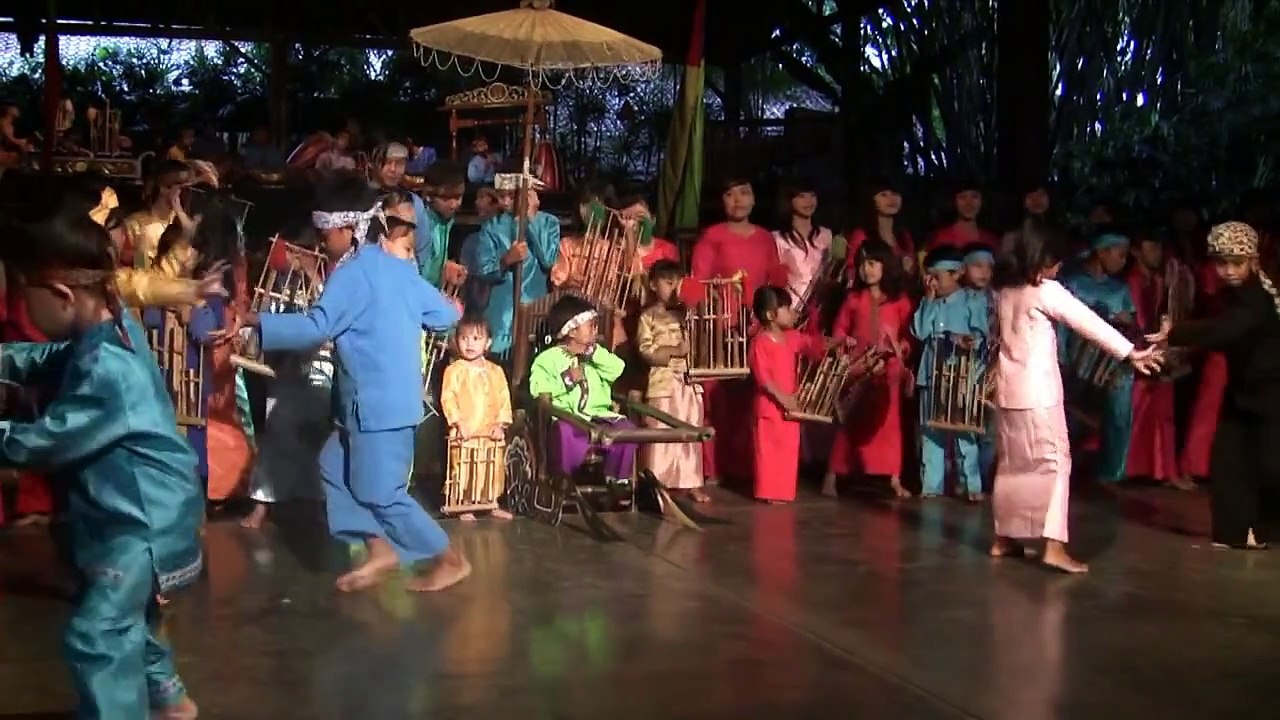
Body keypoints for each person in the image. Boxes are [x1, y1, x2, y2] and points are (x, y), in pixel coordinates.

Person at [0, 214, 202, 718]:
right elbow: (52, 359)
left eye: (27, 297)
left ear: (62, 295)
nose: (23, 308)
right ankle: (169, 703)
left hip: (142, 525)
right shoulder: (111, 327)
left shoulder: (106, 369)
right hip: (132, 512)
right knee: (125, 614)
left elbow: (44, 442)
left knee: (97, 634)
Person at [242, 190, 468, 593]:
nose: (322, 240)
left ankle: (448, 558)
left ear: (349, 229)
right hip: (378, 403)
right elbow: (444, 315)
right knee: (334, 467)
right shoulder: (397, 271)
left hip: (376, 404)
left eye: (325, 231)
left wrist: (253, 320)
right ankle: (379, 547)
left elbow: (317, 326)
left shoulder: (356, 273)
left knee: (381, 493)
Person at [989, 219, 1160, 573]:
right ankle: (1053, 547)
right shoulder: (1045, 289)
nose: (1060, 266)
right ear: (1042, 258)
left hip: (1009, 391)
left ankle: (1004, 538)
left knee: (1013, 464)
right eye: (1055, 259)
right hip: (1038, 392)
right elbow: (1086, 321)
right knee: (1055, 462)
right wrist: (1129, 352)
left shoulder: (1006, 290)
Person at [242, 173, 370, 529]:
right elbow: (278, 314)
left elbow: (326, 321)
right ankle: (263, 503)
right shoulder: (283, 277)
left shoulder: (343, 272)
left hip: (324, 365)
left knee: (316, 436)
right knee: (278, 431)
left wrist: (315, 277)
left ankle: (317, 501)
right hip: (289, 363)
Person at [1147, 222, 1280, 549]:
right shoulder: (1231, 295)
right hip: (1244, 394)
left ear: (1252, 261)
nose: (1229, 270)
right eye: (1222, 263)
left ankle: (1261, 530)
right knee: (1227, 464)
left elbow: (1225, 331)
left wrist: (1176, 334)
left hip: (1272, 396)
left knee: (1270, 468)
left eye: (1237, 263)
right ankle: (1236, 533)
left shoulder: (1257, 300)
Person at [680, 176, 789, 485]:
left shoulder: (765, 238)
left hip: (756, 328)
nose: (738, 200)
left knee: (753, 401)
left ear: (755, 198)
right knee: (717, 401)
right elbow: (698, 283)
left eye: (744, 192)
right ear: (721, 201)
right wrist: (711, 320)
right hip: (721, 329)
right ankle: (714, 468)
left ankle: (749, 468)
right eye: (730, 194)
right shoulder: (712, 236)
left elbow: (773, 283)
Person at [824, 239, 913, 499]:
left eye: (872, 263)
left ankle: (894, 478)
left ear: (886, 265)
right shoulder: (853, 299)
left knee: (891, 427)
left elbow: (909, 336)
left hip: (888, 373)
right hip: (858, 369)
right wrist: (844, 342)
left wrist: (901, 348)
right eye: (863, 264)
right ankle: (832, 475)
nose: (867, 269)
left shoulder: (899, 301)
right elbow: (839, 329)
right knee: (847, 423)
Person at [528, 295, 638, 485]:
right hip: (569, 419)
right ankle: (564, 479)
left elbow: (617, 368)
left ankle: (617, 480)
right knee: (563, 432)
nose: (596, 330)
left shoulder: (596, 355)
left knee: (626, 430)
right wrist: (568, 380)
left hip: (599, 418)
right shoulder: (548, 359)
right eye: (591, 326)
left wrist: (594, 353)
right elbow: (538, 389)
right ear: (571, 331)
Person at [912, 247, 991, 501]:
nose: (933, 283)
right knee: (930, 432)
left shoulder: (973, 301)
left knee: (963, 432)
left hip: (961, 375)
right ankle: (931, 486)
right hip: (931, 375)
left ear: (957, 273)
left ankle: (971, 486)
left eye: (937, 277)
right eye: (929, 278)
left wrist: (966, 341)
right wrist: (928, 300)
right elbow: (920, 332)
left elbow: (981, 338)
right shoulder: (930, 302)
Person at [1060, 229, 1138, 484]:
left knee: (1121, 400)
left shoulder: (1120, 288)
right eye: (1120, 255)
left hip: (1111, 362)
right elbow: (1062, 326)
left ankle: (1112, 472)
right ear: (1101, 252)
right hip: (1077, 360)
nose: (1123, 261)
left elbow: (1132, 325)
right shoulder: (1072, 283)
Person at [1124, 231, 1194, 489]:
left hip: (1156, 350)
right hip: (1140, 353)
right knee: (1143, 413)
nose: (1156, 252)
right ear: (1136, 250)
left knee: (1162, 414)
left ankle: (1163, 470)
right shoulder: (1133, 282)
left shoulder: (1158, 280)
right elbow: (1139, 321)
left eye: (1157, 246)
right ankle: (1154, 470)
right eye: (1150, 245)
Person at [748, 285, 828, 503]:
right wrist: (783, 398)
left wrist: (833, 342)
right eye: (787, 309)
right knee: (768, 451)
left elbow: (813, 346)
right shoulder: (760, 342)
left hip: (790, 407)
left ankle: (783, 491)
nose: (793, 313)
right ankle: (768, 491)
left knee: (788, 450)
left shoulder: (792, 337)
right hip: (770, 406)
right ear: (770, 315)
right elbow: (763, 377)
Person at [636, 260, 708, 502]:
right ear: (654, 285)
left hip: (688, 381)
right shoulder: (648, 316)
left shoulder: (686, 314)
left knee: (689, 431)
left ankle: (692, 482)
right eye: (668, 283)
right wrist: (674, 350)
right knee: (660, 433)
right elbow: (645, 350)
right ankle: (658, 481)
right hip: (662, 381)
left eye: (677, 282)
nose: (674, 287)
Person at [440, 315, 514, 521]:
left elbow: (503, 398)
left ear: (488, 342)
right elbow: (448, 398)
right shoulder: (454, 370)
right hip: (466, 430)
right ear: (457, 341)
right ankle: (464, 504)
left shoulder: (496, 371)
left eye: (476, 338)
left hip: (489, 430)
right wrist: (457, 421)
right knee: (464, 468)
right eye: (464, 339)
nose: (469, 344)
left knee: (491, 467)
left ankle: (490, 502)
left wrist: (501, 424)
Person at [475, 182, 561, 357]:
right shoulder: (492, 226)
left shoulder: (548, 222)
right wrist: (506, 260)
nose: (506, 202)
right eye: (502, 196)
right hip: (503, 313)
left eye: (512, 196)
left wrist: (530, 219)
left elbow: (548, 260)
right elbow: (484, 271)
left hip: (535, 309)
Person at [962, 242, 999, 479]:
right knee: (964, 429)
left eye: (988, 267)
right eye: (977, 266)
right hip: (964, 370)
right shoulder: (956, 298)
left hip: (992, 370)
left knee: (990, 432)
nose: (983, 272)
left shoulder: (998, 299)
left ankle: (982, 481)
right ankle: (966, 481)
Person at [773, 182, 834, 313]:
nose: (808, 201)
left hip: (822, 308)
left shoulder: (826, 234)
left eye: (812, 195)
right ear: (790, 201)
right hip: (792, 309)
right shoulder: (778, 238)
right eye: (801, 196)